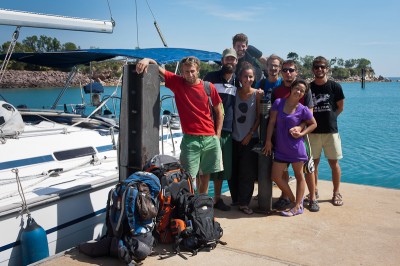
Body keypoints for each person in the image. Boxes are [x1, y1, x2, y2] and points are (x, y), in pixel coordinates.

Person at [136, 56, 224, 194]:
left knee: (205, 176)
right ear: (182, 72)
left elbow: (220, 111)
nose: (190, 74)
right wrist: (147, 60)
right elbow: (160, 70)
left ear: (198, 70)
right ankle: (189, 208)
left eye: (192, 71)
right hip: (190, 140)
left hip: (210, 139)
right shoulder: (177, 83)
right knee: (188, 178)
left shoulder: (208, 87)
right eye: (186, 72)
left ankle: (202, 209)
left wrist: (217, 135)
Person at [269, 59, 319, 212]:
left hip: (300, 141)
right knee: (280, 173)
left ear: (296, 72)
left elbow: (309, 117)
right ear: (281, 72)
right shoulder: (277, 92)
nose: (288, 73)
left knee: (307, 170)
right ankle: (290, 199)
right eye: (285, 70)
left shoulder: (305, 92)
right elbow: (272, 119)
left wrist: (300, 129)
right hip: (282, 141)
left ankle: (312, 198)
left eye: (291, 70)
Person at [203, 48, 239, 211]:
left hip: (228, 129)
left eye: (232, 59)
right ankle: (202, 199)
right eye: (227, 59)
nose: (229, 62)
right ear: (222, 61)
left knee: (221, 167)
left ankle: (217, 198)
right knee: (205, 167)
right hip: (208, 129)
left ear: (236, 62)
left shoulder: (237, 81)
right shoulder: (210, 78)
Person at [309, 56, 345, 206]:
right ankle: (314, 190)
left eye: (322, 67)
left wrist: (331, 118)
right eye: (317, 67)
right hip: (313, 132)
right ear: (313, 70)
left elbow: (340, 107)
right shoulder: (309, 88)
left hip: (331, 132)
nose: (319, 69)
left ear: (326, 69)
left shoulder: (335, 87)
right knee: (313, 164)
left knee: (333, 163)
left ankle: (336, 192)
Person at [231, 62, 261, 215]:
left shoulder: (257, 94)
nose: (248, 79)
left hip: (250, 139)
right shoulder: (234, 92)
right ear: (240, 77)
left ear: (254, 78)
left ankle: (244, 203)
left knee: (247, 173)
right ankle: (236, 199)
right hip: (234, 138)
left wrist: (250, 134)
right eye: (245, 76)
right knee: (233, 170)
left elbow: (258, 117)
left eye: (250, 76)